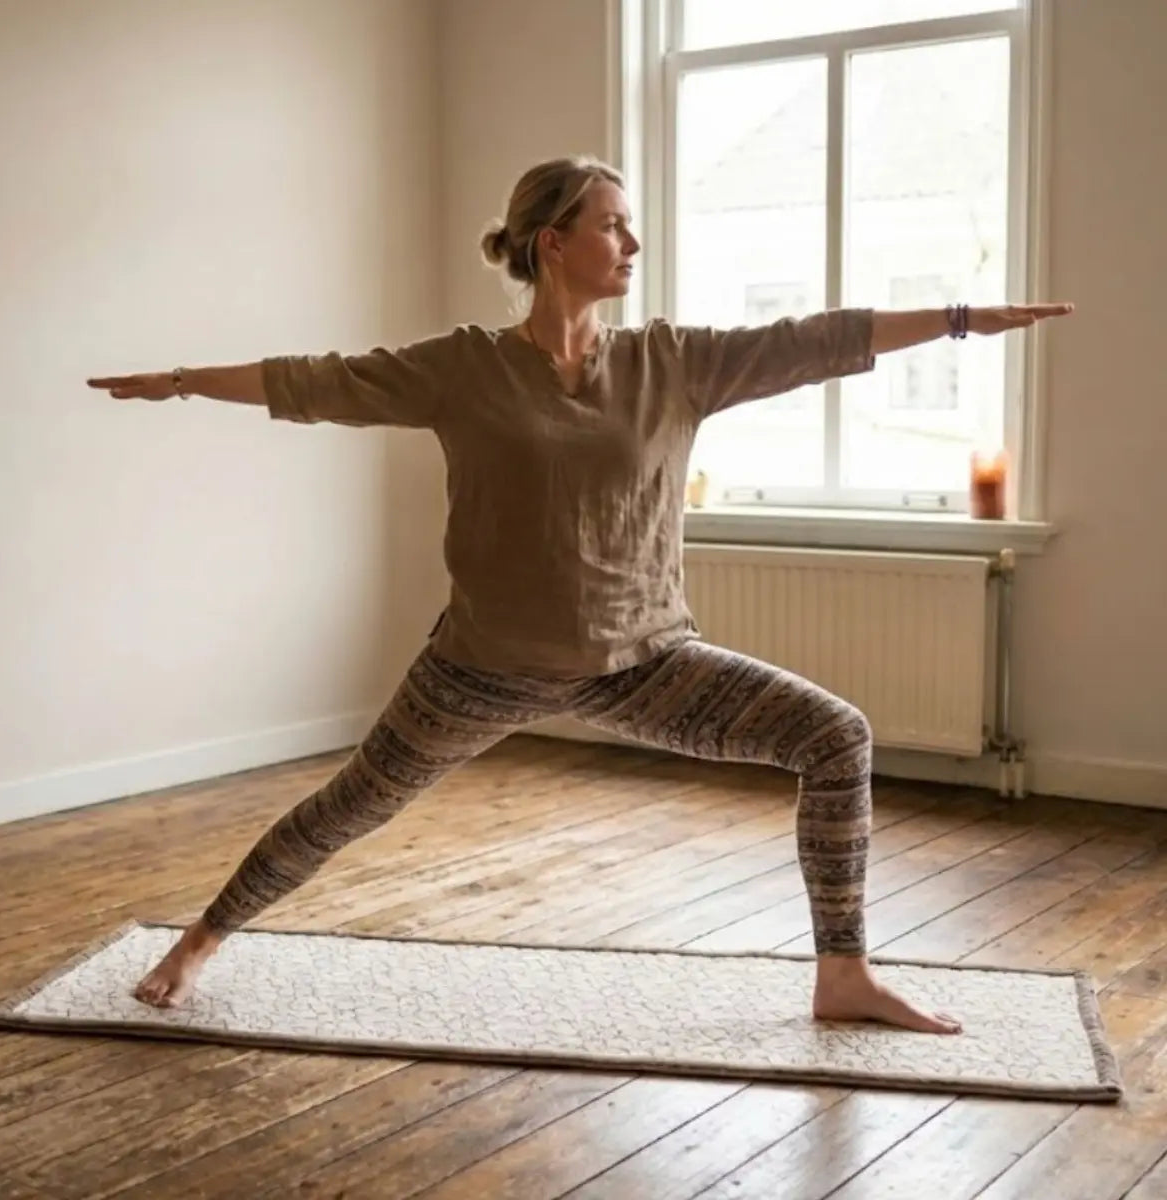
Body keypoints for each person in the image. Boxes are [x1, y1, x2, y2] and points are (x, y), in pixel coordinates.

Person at [87, 155, 1074, 1031]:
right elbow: (318, 381)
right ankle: (201, 942)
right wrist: (177, 381)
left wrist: (956, 321)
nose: (633, 242)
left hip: (643, 661)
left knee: (836, 736)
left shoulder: (670, 363)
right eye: (613, 223)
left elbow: (811, 340)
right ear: (552, 242)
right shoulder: (462, 368)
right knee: (347, 807)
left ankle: (844, 973)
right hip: (479, 667)